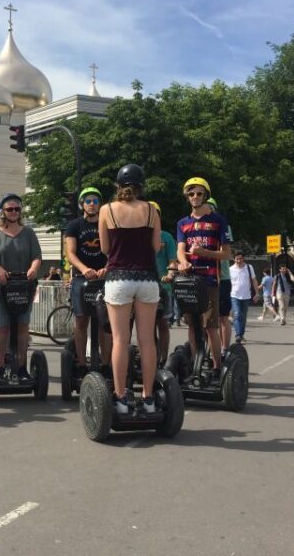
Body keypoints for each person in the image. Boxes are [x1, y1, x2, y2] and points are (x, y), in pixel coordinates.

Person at [100, 164, 160, 415]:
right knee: (147, 341)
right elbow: (156, 246)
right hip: (147, 279)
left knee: (120, 340)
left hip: (118, 279)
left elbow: (105, 248)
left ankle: (122, 398)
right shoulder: (152, 211)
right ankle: (148, 397)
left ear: (118, 185)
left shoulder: (106, 210)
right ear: (141, 186)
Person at [0, 193, 42, 380]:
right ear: (2, 212)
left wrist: (33, 268)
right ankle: (0, 367)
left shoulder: (29, 233)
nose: (14, 212)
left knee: (23, 326)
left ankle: (22, 368)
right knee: (2, 327)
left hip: (23, 287)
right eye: (10, 209)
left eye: (17, 209)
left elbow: (37, 256)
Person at [177, 177, 231, 379]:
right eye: (191, 194)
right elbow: (181, 250)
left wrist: (204, 252)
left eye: (199, 193)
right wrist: (182, 262)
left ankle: (217, 368)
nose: (195, 197)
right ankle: (194, 366)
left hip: (210, 281)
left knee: (210, 327)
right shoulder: (183, 223)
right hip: (190, 280)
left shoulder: (218, 221)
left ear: (205, 196)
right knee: (192, 326)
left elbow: (226, 254)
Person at [65, 187, 111, 375]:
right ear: (82, 204)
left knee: (104, 322)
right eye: (88, 201)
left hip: (104, 278)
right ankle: (82, 364)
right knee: (81, 320)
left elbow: (114, 249)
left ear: (100, 204)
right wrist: (84, 269)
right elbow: (70, 252)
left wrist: (107, 268)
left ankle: (106, 365)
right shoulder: (74, 225)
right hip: (81, 278)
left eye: (95, 201)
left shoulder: (107, 224)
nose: (92, 204)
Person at [148, 200, 178, 366]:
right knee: (147, 328)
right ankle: (151, 357)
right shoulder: (141, 236)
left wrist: (170, 274)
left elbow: (173, 261)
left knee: (163, 324)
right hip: (145, 286)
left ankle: (164, 359)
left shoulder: (166, 237)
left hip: (163, 287)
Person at [206, 198, 234, 349]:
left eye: (210, 207)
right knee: (207, 320)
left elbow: (226, 252)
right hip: (205, 277)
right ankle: (208, 350)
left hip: (221, 277)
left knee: (223, 317)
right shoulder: (196, 226)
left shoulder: (223, 225)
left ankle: (225, 349)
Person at [229, 252, 261, 343]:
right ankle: (238, 335)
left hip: (246, 296)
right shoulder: (230, 269)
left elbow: (254, 280)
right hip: (234, 295)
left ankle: (241, 334)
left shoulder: (249, 267)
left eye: (241, 258)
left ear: (243, 259)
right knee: (237, 314)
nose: (239, 260)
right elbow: (228, 283)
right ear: (234, 259)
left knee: (243, 317)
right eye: (237, 259)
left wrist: (257, 293)